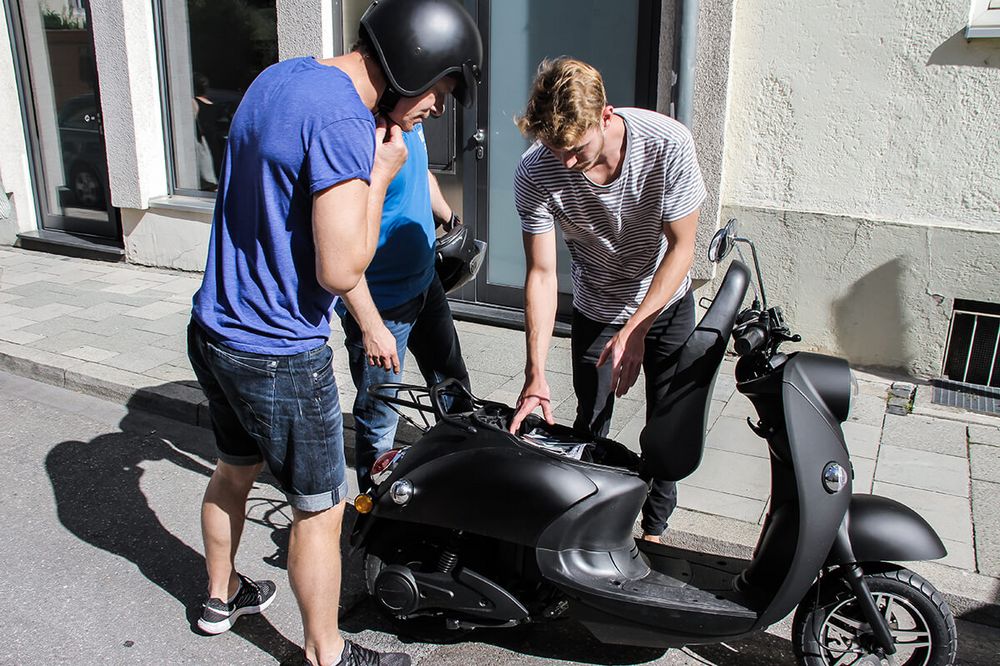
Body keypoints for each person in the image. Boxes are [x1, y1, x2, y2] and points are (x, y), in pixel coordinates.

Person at [186, 1, 482, 664]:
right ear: (417, 63)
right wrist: (379, 177)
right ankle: (327, 654)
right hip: (278, 352)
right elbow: (342, 264)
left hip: (214, 326)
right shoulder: (347, 123)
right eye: (445, 90)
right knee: (320, 512)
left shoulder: (282, 77)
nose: (441, 107)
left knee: (234, 471)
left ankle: (219, 594)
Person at [508, 57, 705, 544]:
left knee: (665, 425)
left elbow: (682, 249)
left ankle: (654, 531)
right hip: (597, 306)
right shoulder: (535, 174)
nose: (565, 163)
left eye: (576, 150)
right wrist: (536, 371)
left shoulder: (667, 144)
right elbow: (541, 272)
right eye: (554, 149)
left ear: (606, 115)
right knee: (590, 422)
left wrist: (637, 328)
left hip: (665, 305)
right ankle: (590, 528)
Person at [337, 122, 471, 494]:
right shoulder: (357, 133)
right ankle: (375, 509)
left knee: (454, 386)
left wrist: (449, 219)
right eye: (435, 95)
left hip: (425, 281)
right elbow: (336, 244)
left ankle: (455, 485)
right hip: (380, 304)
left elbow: (421, 171)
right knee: (381, 416)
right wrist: (368, 324)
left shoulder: (411, 122)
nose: (440, 109)